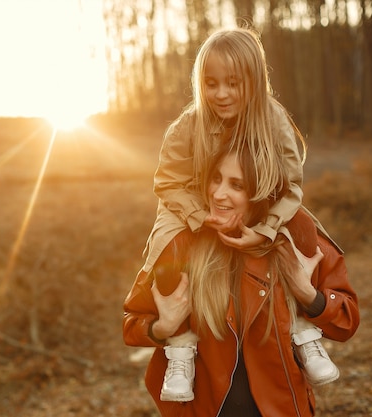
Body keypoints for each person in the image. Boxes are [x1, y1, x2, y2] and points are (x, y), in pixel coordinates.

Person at [141, 27, 341, 401]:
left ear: (254, 80)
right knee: (166, 244)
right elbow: (167, 183)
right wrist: (199, 217)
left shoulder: (273, 117)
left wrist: (265, 230)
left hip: (257, 207)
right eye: (211, 83)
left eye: (232, 83)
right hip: (194, 209)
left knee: (299, 224)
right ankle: (181, 346)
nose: (221, 94)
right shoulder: (188, 125)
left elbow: (292, 185)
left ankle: (302, 330)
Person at [123, 145, 360, 416]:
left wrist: (309, 296)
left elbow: (347, 323)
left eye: (236, 185)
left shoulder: (296, 243)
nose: (218, 193)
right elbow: (131, 321)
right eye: (216, 178)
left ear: (261, 192)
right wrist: (162, 327)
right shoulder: (182, 244)